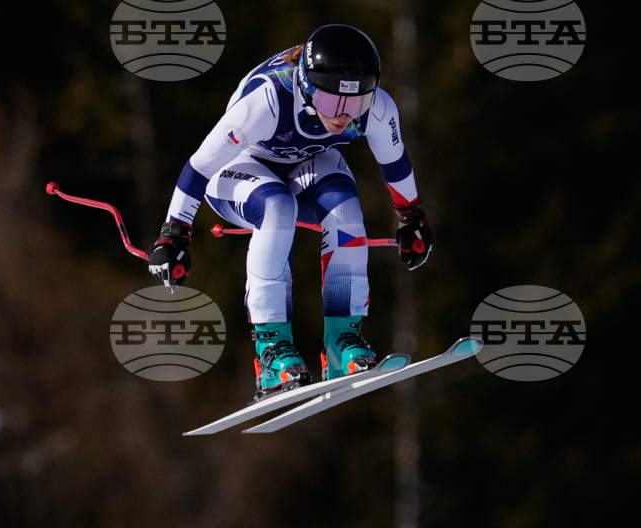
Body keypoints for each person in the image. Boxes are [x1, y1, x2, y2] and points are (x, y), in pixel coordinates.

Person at [148, 24, 432, 402]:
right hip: (240, 167)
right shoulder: (268, 100)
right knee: (278, 206)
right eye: (330, 102)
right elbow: (199, 167)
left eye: (355, 103)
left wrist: (412, 219)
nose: (343, 116)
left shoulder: (376, 107)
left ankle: (342, 341)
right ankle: (271, 352)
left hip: (304, 162)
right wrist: (174, 234)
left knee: (345, 205)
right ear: (307, 87)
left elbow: (394, 163)